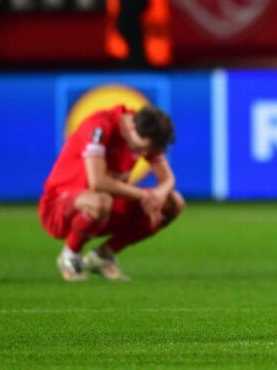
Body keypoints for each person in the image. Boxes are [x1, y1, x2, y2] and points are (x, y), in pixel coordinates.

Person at [39, 103, 184, 281]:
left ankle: (102, 256)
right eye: (139, 149)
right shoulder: (100, 126)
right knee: (100, 200)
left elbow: (168, 179)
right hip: (60, 205)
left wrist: (159, 196)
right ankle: (70, 255)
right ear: (130, 127)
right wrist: (145, 195)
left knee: (174, 202)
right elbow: (98, 182)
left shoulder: (145, 130)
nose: (143, 154)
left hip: (105, 208)